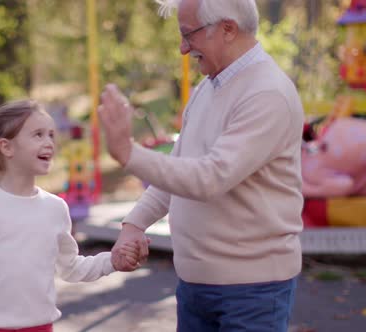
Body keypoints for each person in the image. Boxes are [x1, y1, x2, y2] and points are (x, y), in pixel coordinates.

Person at [98, 0, 305, 331]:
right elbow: (178, 169)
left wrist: (128, 153)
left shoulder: (267, 94)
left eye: (188, 34)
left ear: (227, 28)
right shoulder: (207, 88)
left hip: (252, 294)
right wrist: (134, 224)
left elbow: (210, 178)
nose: (182, 49)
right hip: (195, 287)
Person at [0, 100, 141, 332]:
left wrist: (112, 261)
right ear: (6, 147)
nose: (49, 143)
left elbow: (71, 267)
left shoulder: (55, 208)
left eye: (51, 135)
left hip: (40, 327)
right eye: (38, 135)